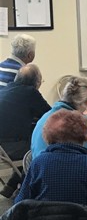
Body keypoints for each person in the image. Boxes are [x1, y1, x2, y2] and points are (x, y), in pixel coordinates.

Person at [32, 76, 87, 165]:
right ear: (84, 103)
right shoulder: (80, 123)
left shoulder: (43, 119)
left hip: (40, 174)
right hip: (68, 174)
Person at [0, 64, 50, 197]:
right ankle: (27, 191)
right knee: (41, 147)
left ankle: (11, 185)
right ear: (36, 82)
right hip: (12, 147)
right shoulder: (30, 92)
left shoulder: (5, 89)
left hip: (2, 148)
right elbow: (50, 115)